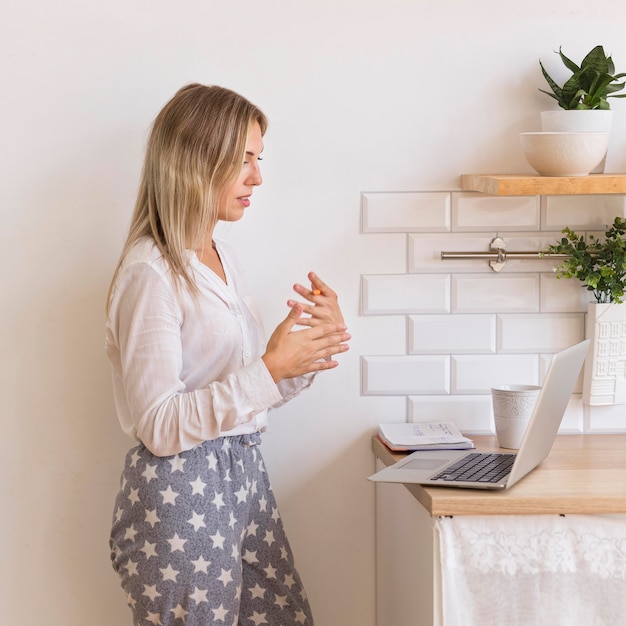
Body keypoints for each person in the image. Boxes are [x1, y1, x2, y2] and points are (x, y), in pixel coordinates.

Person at [105, 83, 350, 626]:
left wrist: (304, 354)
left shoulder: (223, 258)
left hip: (242, 480)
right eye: (243, 160)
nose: (257, 177)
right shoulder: (151, 272)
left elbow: (242, 398)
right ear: (196, 159)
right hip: (180, 497)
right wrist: (267, 370)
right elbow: (160, 426)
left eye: (258, 160)